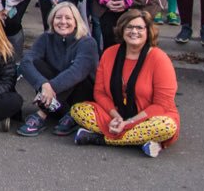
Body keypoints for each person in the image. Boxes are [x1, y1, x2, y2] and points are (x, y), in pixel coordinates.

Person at [71, 9, 180, 158]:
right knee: (78, 110)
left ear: (148, 32)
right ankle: (140, 141)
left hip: (149, 118)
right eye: (129, 27)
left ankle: (101, 140)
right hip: (116, 116)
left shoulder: (159, 59)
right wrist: (116, 117)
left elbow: (162, 104)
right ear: (122, 30)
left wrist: (129, 123)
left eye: (139, 28)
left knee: (167, 126)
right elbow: (100, 92)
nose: (134, 31)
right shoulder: (110, 53)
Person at [18, 2, 99, 137]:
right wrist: (43, 85)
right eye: (58, 17)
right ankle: (62, 112)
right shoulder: (45, 38)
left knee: (73, 74)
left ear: (76, 21)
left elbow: (76, 72)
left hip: (80, 97)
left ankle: (43, 114)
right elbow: (25, 63)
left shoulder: (87, 43)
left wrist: (50, 88)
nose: (63, 22)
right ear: (52, 20)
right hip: (53, 97)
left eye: (68, 18)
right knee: (35, 63)